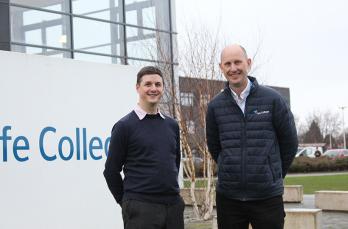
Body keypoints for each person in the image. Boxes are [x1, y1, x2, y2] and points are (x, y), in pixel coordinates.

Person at [206, 44, 298, 229]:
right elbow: (214, 147)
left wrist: (273, 174)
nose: (233, 68)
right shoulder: (215, 106)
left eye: (238, 62)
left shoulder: (273, 99)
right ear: (221, 67)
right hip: (229, 199)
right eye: (228, 64)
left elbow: (290, 143)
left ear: (248, 63)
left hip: (267, 197)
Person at [103, 66, 184, 229]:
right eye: (148, 84)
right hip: (141, 209)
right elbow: (111, 171)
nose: (153, 89)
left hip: (173, 207)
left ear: (163, 88)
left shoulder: (172, 125)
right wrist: (127, 202)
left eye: (158, 84)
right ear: (137, 87)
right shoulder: (124, 126)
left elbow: (174, 162)